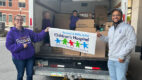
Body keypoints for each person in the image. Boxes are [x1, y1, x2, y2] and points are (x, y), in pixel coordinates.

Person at [6, 15, 49, 80]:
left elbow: (37, 37)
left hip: (30, 58)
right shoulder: (11, 33)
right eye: (17, 20)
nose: (19, 21)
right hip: (19, 58)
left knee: (29, 75)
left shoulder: (27, 31)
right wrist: (21, 46)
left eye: (21, 20)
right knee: (20, 75)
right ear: (14, 21)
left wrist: (45, 31)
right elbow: (9, 46)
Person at [97, 8, 136, 80]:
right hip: (111, 59)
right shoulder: (111, 29)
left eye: (117, 15)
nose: (115, 17)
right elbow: (109, 39)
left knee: (121, 78)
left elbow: (132, 43)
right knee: (113, 78)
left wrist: (122, 56)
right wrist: (101, 37)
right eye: (113, 15)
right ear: (112, 17)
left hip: (121, 59)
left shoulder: (127, 28)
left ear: (121, 16)